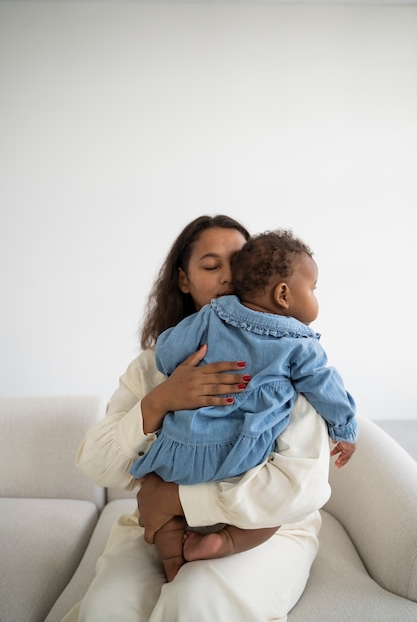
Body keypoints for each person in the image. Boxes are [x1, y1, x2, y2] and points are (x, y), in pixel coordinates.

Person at [63, 215, 332, 622]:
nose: (229, 278)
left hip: (264, 526)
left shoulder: (289, 357)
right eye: (211, 266)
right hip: (161, 524)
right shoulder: (154, 366)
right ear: (184, 280)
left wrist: (176, 498)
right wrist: (160, 401)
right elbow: (95, 464)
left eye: (239, 264)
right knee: (107, 609)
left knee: (195, 601)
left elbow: (301, 486)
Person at [130, 228, 358, 581]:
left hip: (182, 447)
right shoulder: (298, 343)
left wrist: (176, 374)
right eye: (313, 288)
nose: (314, 297)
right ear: (283, 295)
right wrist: (345, 428)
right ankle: (224, 542)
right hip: (241, 457)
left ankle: (172, 562)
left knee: (165, 512)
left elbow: (166, 354)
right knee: (270, 518)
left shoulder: (212, 316)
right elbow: (326, 386)